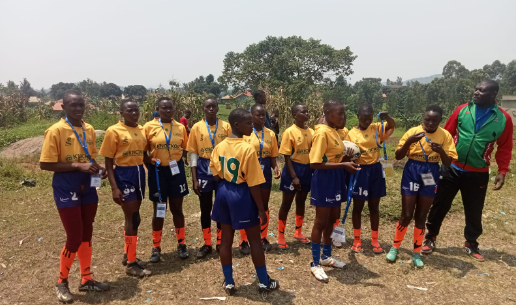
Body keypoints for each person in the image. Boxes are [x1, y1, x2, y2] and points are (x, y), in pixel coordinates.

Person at [423, 80, 513, 261]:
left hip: (478, 172)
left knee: (474, 209)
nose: (476, 92)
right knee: (440, 204)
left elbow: (505, 147)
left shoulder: (503, 119)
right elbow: (446, 134)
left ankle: (471, 243)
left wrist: (502, 171)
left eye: (482, 90)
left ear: (493, 94)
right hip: (452, 167)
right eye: (476, 89)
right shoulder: (462, 110)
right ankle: (430, 237)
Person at [40, 90, 110, 303]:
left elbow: (89, 157)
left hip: (87, 186)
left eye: (81, 105)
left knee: (87, 231)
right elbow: (45, 164)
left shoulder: (88, 129)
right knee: (74, 236)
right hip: (65, 186)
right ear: (64, 107)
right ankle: (61, 282)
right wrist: (79, 165)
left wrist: (98, 170)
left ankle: (87, 278)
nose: (78, 109)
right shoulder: (55, 131)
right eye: (73, 105)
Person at [210, 108, 279, 295]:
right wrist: (261, 209)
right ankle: (264, 282)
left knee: (226, 240)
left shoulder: (220, 146)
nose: (252, 126)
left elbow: (215, 175)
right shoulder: (247, 148)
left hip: (224, 191)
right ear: (236, 125)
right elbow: (254, 183)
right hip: (241, 193)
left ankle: (230, 282)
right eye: (248, 123)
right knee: (255, 240)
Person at [385, 105, 457, 268]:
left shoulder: (445, 135)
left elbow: (448, 162)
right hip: (412, 170)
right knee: (407, 214)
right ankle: (395, 247)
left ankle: (416, 252)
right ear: (423, 118)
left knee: (422, 215)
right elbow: (398, 155)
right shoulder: (413, 132)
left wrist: (441, 151)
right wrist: (410, 141)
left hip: (431, 172)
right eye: (427, 120)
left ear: (440, 121)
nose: (430, 123)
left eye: (435, 121)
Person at [99, 98, 152, 277]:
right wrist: (114, 187)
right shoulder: (113, 131)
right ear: (121, 113)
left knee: (134, 218)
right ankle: (130, 264)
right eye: (129, 110)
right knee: (132, 218)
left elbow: (143, 154)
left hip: (139, 174)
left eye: (136, 110)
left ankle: (128, 254)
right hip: (124, 175)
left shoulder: (141, 129)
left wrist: (153, 161)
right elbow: (108, 161)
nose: (134, 113)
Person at [309, 100, 359, 283]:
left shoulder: (335, 131)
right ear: (328, 113)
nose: (342, 117)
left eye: (344, 114)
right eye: (339, 114)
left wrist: (347, 161)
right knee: (321, 221)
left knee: (332, 218)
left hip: (336, 177)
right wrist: (343, 164)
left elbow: (332, 156)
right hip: (324, 179)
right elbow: (314, 163)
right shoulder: (322, 133)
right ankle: (315, 263)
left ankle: (326, 256)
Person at [144, 97, 190, 262]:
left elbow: (185, 148)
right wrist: (149, 160)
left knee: (177, 209)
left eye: (170, 108)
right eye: (164, 108)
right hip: (158, 173)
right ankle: (156, 247)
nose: (168, 111)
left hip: (176, 172)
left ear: (174, 109)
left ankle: (182, 244)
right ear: (158, 109)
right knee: (159, 210)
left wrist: (183, 159)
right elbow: (143, 152)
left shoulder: (180, 127)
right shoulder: (149, 127)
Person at [345, 105, 395, 254]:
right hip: (360, 171)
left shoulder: (376, 127)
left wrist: (387, 117)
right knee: (358, 207)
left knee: (374, 207)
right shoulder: (351, 134)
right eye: (363, 118)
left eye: (369, 118)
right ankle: (357, 240)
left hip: (375, 170)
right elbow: (346, 153)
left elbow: (392, 125)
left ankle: (374, 240)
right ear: (357, 116)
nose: (367, 121)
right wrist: (349, 158)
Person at [186, 99, 232, 258]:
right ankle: (207, 244)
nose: (211, 109)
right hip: (203, 169)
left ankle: (220, 241)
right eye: (208, 107)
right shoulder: (196, 127)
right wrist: (194, 178)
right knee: (205, 209)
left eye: (214, 106)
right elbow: (193, 154)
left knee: (221, 208)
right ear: (203, 109)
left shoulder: (226, 126)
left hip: (222, 169)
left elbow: (231, 150)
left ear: (218, 108)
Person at [240, 103, 281, 253]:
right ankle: (243, 240)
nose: (262, 117)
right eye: (258, 115)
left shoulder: (270, 134)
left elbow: (272, 156)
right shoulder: (245, 133)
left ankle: (263, 237)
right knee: (247, 204)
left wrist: (275, 167)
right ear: (251, 115)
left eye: (264, 115)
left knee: (263, 205)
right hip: (248, 171)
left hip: (265, 172)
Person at [277, 104, 314, 249]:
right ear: (294, 114)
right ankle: (281, 235)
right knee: (286, 203)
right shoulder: (289, 132)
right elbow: (287, 157)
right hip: (293, 169)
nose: (306, 114)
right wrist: (294, 177)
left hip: (307, 169)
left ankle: (298, 232)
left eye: (307, 111)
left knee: (301, 201)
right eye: (302, 112)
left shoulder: (311, 131)